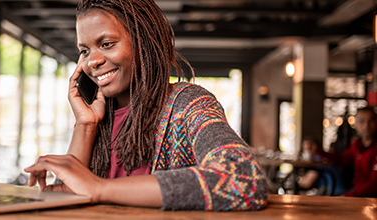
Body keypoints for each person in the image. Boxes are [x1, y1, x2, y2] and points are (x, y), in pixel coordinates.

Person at [24, 0, 268, 211]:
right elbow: (67, 200)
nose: (93, 61)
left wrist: (99, 188)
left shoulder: (188, 105)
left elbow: (244, 178)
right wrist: (85, 125)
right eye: (85, 51)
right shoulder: (97, 116)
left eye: (107, 44)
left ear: (143, 43)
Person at [315, 107, 377, 197]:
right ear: (355, 124)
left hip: (371, 198)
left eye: (370, 121)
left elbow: (374, 184)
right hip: (358, 195)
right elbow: (342, 159)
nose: (366, 125)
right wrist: (318, 151)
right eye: (361, 121)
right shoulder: (357, 145)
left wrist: (348, 195)